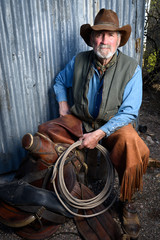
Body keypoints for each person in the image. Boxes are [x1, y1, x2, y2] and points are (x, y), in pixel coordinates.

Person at [53, 8, 150, 239]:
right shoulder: (79, 61)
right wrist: (63, 105)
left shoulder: (131, 69)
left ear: (118, 39)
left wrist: (100, 133)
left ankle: (128, 201)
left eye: (109, 35)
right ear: (91, 39)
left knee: (131, 144)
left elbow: (129, 112)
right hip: (82, 120)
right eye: (99, 34)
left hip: (114, 124)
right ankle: (67, 187)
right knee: (47, 135)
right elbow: (59, 82)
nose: (104, 40)